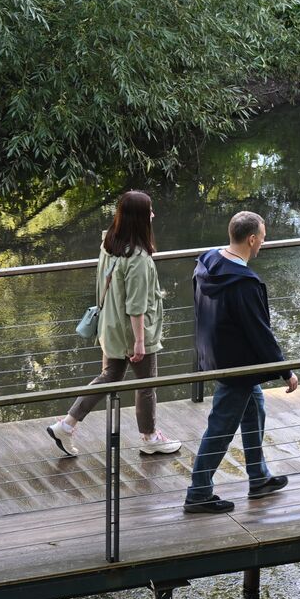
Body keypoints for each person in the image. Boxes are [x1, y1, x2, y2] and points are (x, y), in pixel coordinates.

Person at [47, 191, 181, 457]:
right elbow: (136, 306)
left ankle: (66, 425)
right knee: (146, 385)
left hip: (110, 326)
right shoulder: (138, 259)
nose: (153, 214)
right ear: (140, 218)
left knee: (109, 377)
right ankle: (150, 437)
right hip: (132, 332)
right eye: (150, 211)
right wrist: (141, 342)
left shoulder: (109, 245)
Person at [183, 210, 299, 514]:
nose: (263, 242)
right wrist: (284, 370)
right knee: (221, 427)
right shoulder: (244, 283)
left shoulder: (207, 261)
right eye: (262, 237)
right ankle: (198, 492)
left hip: (214, 354)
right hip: (237, 365)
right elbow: (259, 332)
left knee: (255, 409)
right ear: (251, 239)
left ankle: (258, 477)